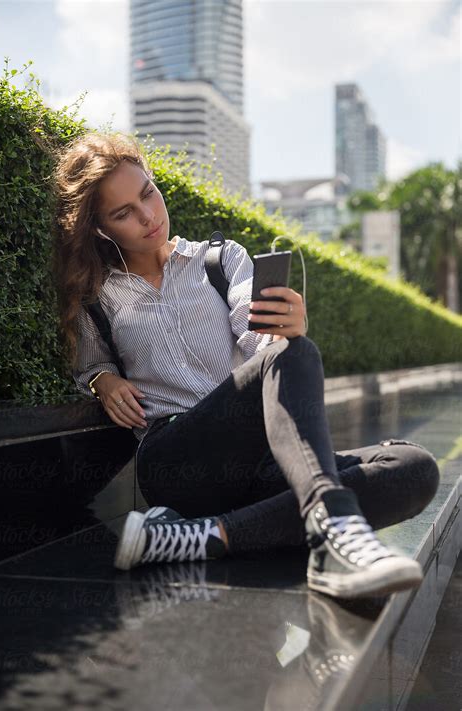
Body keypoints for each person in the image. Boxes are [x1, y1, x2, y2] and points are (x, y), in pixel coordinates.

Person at [53, 132, 440, 599]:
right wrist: (101, 378)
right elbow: (87, 365)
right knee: (295, 356)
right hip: (177, 460)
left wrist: (283, 330)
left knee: (414, 466)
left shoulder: (219, 261)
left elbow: (261, 341)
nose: (148, 216)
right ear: (101, 229)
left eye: (147, 193)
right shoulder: (97, 296)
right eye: (123, 214)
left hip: (256, 459)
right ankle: (333, 529)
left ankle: (203, 536)